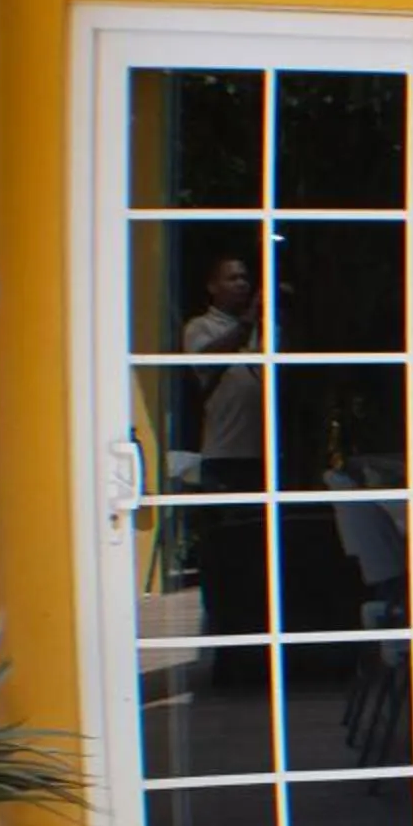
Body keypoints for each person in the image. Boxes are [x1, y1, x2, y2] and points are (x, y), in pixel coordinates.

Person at [181, 251, 267, 653]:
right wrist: (248, 324)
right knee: (222, 553)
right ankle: (222, 635)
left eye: (245, 278)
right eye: (232, 278)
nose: (242, 285)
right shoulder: (200, 328)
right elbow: (206, 364)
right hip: (224, 455)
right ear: (212, 286)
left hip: (260, 456)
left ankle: (253, 635)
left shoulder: (260, 331)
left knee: (256, 556)